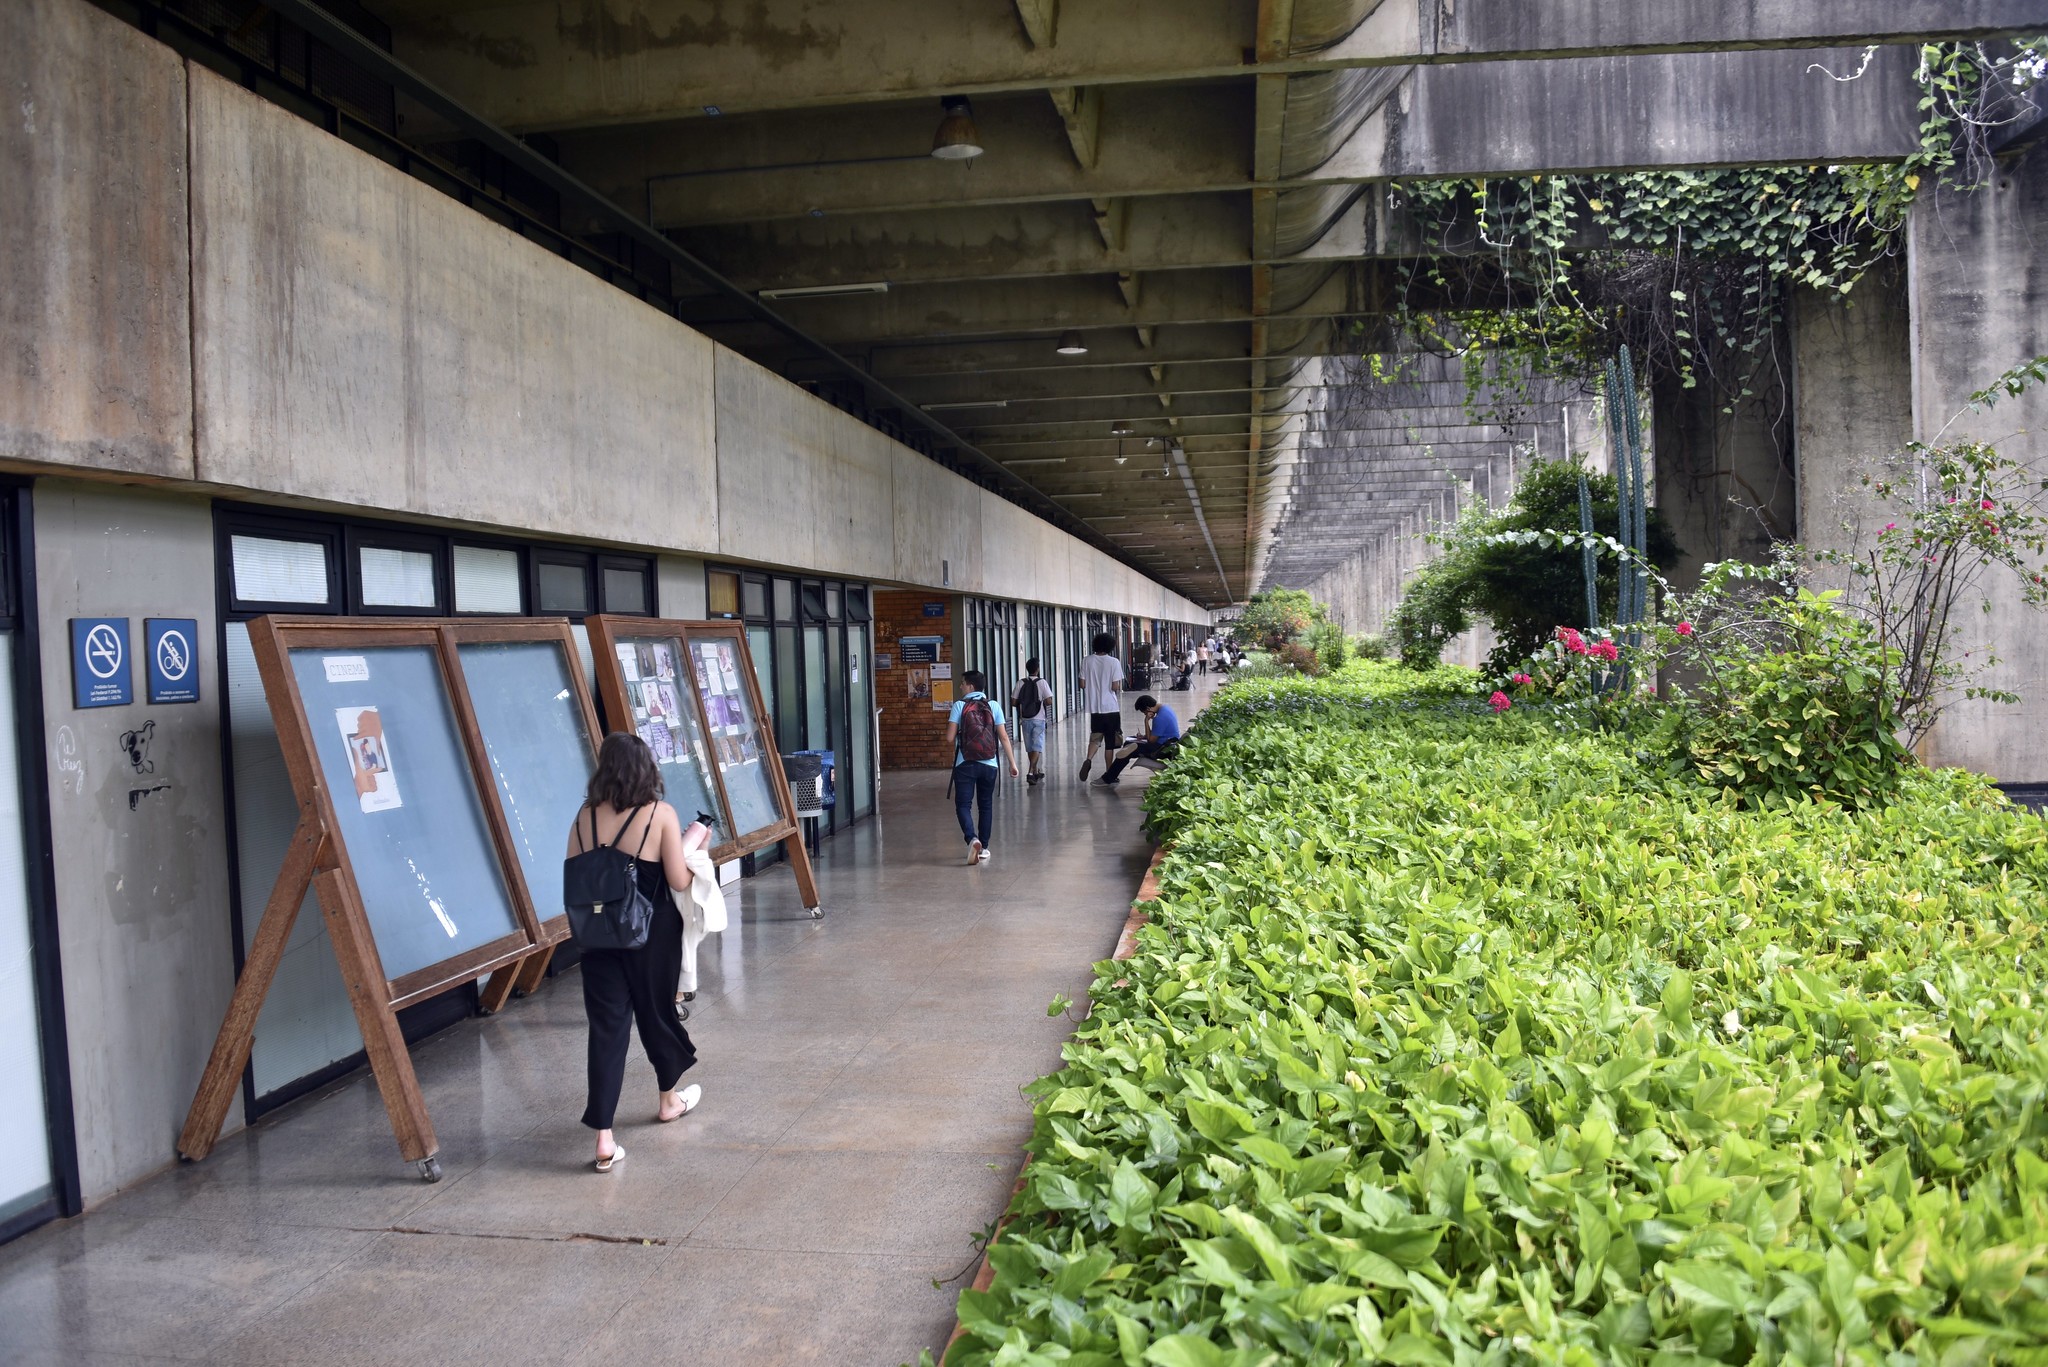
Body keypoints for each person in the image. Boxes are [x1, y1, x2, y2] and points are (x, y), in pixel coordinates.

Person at [565, 732, 705, 1173]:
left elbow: (574, 877)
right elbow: (679, 881)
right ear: (646, 768)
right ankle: (668, 1101)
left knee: (607, 1030)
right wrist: (694, 847)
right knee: (656, 1013)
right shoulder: (659, 814)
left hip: (599, 936)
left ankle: (604, 1139)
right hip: (651, 933)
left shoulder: (583, 817)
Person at [944, 669, 1019, 864]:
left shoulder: (959, 706)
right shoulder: (993, 705)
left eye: (962, 683)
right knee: (985, 805)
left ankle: (972, 838)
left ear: (970, 686)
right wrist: (1012, 763)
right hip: (989, 764)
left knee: (963, 805)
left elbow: (949, 738)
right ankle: (984, 847)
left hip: (965, 763)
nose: (960, 686)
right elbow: (1003, 736)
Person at [1098, 694, 1182, 785]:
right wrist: (1144, 736)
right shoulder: (1165, 709)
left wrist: (1146, 721)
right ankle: (1111, 775)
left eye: (1144, 712)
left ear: (1148, 708)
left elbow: (1151, 740)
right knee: (1129, 743)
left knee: (1129, 749)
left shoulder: (1159, 718)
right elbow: (1157, 734)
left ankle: (1107, 779)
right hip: (1166, 744)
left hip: (1161, 750)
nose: (1145, 714)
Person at [1077, 631, 1125, 782]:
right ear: (1110, 646)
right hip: (1110, 708)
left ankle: (1089, 759)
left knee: (1096, 737)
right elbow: (1115, 686)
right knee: (1110, 742)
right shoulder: (1114, 662)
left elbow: (1082, 684)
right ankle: (1109, 773)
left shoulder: (1086, 661)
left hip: (1095, 708)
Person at [1011, 658, 1054, 785]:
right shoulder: (1042, 682)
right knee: (1037, 746)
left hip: (1025, 719)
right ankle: (1030, 772)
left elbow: (1013, 702)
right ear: (1037, 669)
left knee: (1030, 747)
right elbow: (1049, 701)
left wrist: (1025, 702)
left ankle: (1035, 771)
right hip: (1039, 718)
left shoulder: (1020, 683)